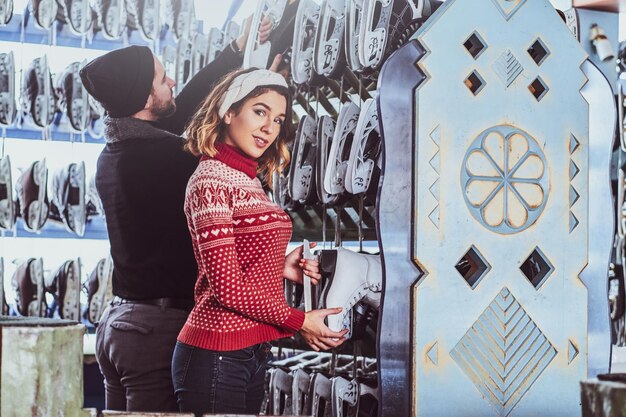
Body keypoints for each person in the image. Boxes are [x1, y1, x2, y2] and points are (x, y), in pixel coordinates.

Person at [78, 18, 276, 412]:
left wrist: (235, 51)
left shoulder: (117, 153)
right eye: (163, 77)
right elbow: (234, 163)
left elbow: (179, 108)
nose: (172, 82)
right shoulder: (169, 161)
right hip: (159, 329)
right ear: (144, 98)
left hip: (121, 326)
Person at [171, 68, 348, 416]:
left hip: (252, 351)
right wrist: (300, 320)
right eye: (260, 111)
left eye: (279, 119)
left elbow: (237, 262)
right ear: (229, 111)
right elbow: (227, 289)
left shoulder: (247, 179)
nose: (269, 127)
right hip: (217, 352)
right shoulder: (210, 181)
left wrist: (281, 266)